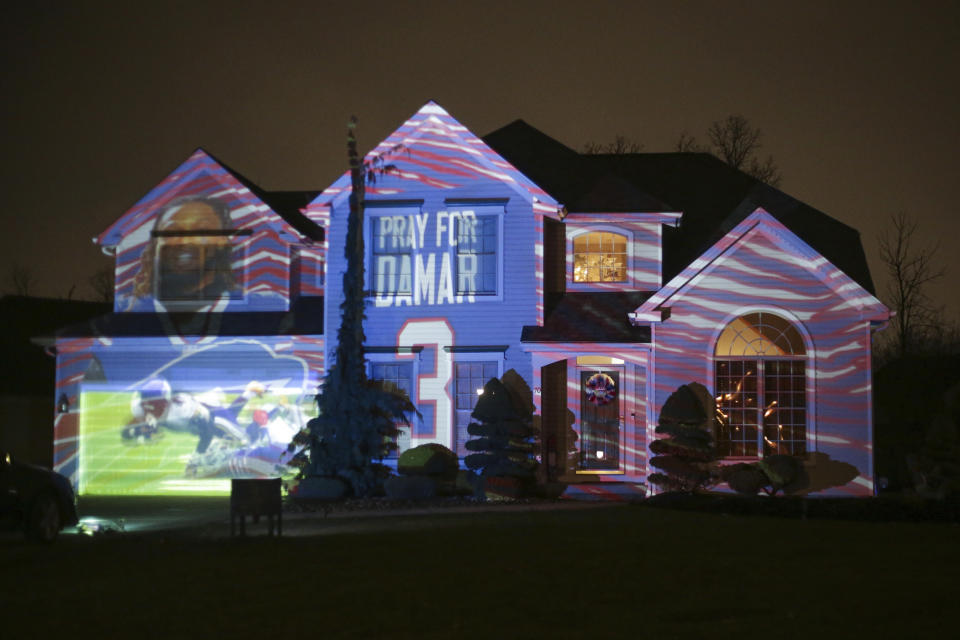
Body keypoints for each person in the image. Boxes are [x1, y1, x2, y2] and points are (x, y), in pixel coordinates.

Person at [131, 196, 238, 304]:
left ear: (222, 240)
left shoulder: (248, 305)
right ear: (156, 243)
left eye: (201, 231)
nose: (185, 240)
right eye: (171, 232)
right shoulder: (130, 309)